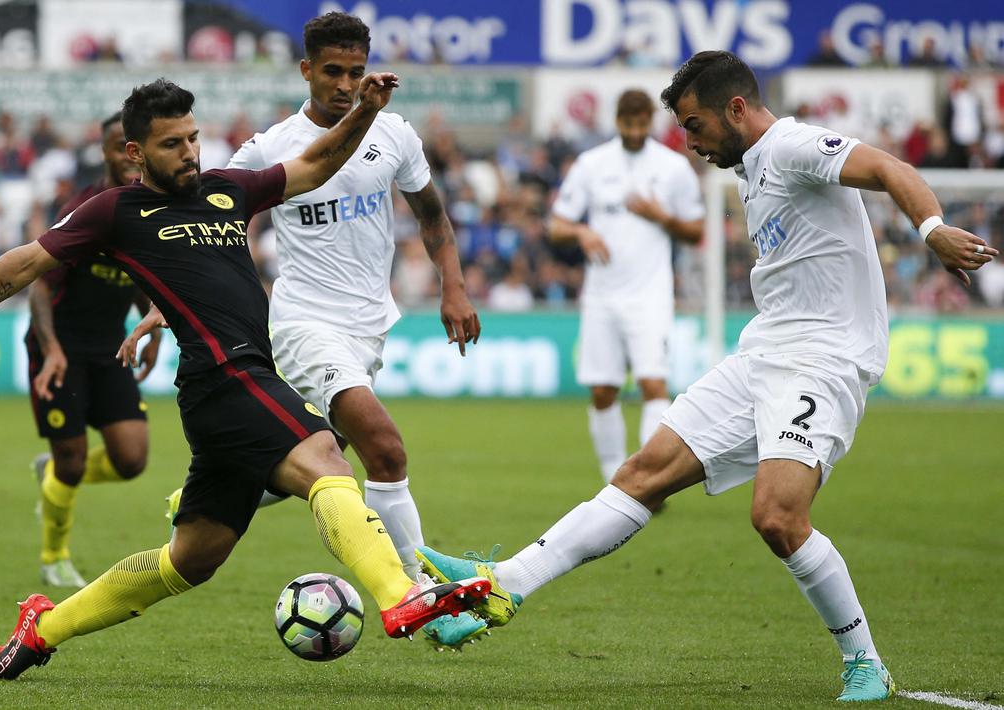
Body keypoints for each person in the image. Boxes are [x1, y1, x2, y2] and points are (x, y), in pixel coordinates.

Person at [415, 51, 997, 701]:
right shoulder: (751, 166)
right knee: (641, 473)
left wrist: (932, 229)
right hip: (764, 351)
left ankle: (864, 662)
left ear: (736, 108)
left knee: (777, 517)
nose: (690, 142)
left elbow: (890, 168)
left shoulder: (793, 145)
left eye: (694, 125)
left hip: (824, 357)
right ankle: (504, 583)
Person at [0, 75, 490, 681]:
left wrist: (364, 111)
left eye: (193, 138)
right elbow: (22, 264)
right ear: (136, 152)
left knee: (190, 560)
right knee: (327, 459)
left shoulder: (227, 190)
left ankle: (43, 628)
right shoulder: (116, 211)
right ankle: (400, 594)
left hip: (225, 391)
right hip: (226, 376)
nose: (189, 152)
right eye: (172, 144)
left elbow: (316, 165)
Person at [123, 11, 484, 648]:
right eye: (332, 72)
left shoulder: (394, 133)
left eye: (355, 72)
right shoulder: (271, 148)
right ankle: (423, 596)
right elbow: (207, 223)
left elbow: (432, 216)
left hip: (369, 325)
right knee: (384, 449)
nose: (345, 85)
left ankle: (211, 490)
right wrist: (162, 306)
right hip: (301, 324)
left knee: (320, 454)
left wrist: (452, 286)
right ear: (306, 70)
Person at [26, 111, 160, 588]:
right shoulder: (84, 210)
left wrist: (151, 328)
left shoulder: (150, 208)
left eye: (135, 145)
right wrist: (52, 349)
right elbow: (39, 286)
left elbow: (141, 277)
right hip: (60, 348)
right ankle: (54, 557)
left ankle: (52, 473)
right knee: (73, 461)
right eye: (118, 145)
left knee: (132, 460)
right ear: (105, 152)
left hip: (109, 348)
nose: (128, 155)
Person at [549, 89, 703, 485]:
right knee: (603, 391)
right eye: (628, 124)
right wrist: (581, 231)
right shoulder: (592, 164)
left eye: (641, 124)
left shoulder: (673, 167)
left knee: (654, 383)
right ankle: (614, 480)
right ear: (617, 121)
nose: (635, 131)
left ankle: (650, 480)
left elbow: (697, 229)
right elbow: (556, 224)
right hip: (602, 295)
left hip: (651, 295)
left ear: (651, 121)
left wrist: (661, 216)